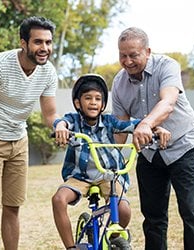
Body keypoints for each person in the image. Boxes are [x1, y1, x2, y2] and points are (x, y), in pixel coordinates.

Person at [0, 16, 59, 250]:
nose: (44, 48)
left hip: (19, 141)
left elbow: (49, 115)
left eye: (48, 42)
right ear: (23, 43)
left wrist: (61, 126)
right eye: (38, 42)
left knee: (13, 208)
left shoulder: (47, 72)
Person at [111, 27, 194, 250]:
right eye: (122, 55)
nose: (127, 61)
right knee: (153, 216)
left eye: (133, 55)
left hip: (183, 145)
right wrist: (110, 155)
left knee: (189, 211)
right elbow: (120, 128)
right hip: (149, 152)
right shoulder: (118, 83)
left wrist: (145, 123)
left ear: (147, 51)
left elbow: (168, 103)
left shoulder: (168, 66)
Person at [53, 74, 169, 250]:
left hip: (109, 175)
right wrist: (61, 128)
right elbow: (62, 122)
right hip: (81, 176)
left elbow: (132, 125)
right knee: (59, 199)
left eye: (98, 99)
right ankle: (71, 247)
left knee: (124, 210)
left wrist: (154, 128)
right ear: (78, 103)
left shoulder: (109, 122)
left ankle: (112, 238)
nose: (93, 102)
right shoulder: (74, 121)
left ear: (103, 104)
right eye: (88, 98)